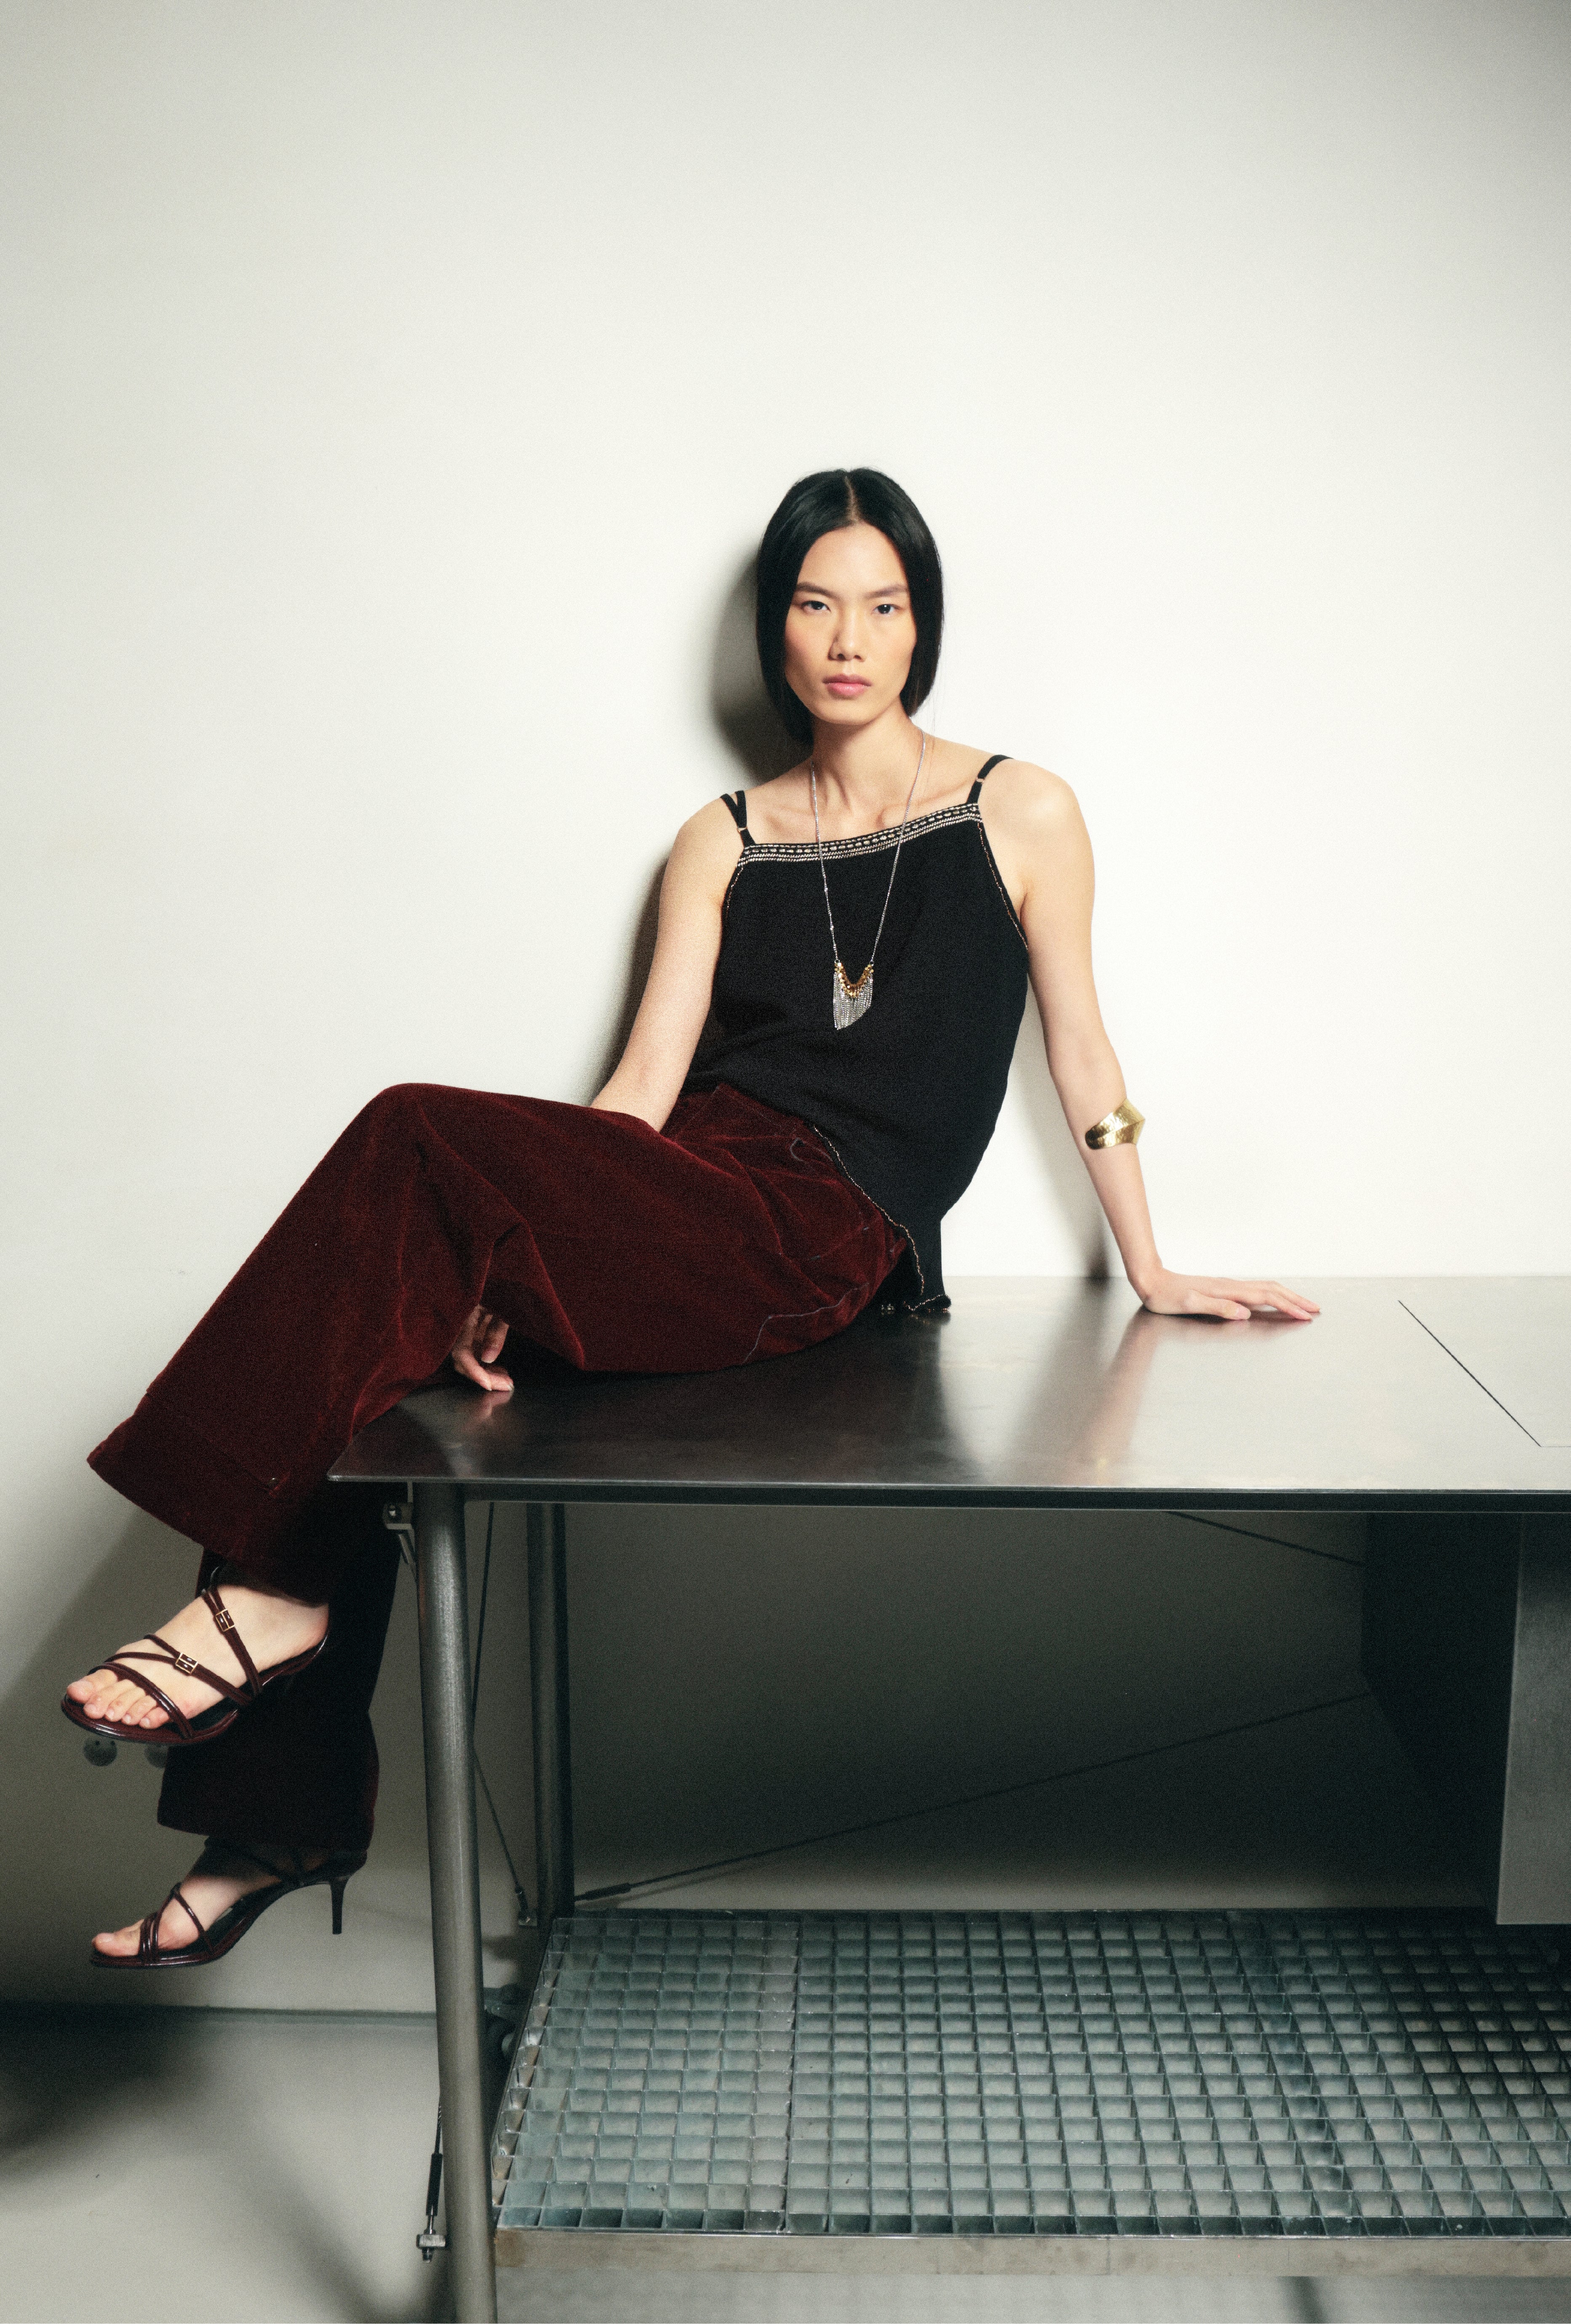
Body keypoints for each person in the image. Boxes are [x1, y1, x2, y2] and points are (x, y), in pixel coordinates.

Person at [66, 467, 1317, 1966]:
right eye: (814, 604)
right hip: (694, 1193)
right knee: (381, 1335)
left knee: (408, 1132)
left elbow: (1084, 1051)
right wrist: (518, 1251)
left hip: (825, 1229)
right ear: (773, 627)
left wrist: (1151, 1262)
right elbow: (644, 1084)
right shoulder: (720, 836)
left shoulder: (1021, 808)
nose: (848, 639)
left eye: (883, 606)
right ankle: (273, 1815)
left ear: (923, 626)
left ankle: (274, 1626)